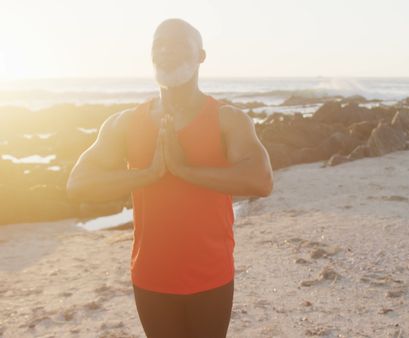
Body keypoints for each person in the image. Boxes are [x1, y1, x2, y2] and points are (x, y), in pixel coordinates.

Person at [67, 18, 273, 337]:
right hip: (151, 276)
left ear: (201, 56)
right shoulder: (124, 123)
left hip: (211, 275)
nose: (166, 51)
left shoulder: (227, 119)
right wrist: (148, 174)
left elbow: (261, 180)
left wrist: (185, 170)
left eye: (178, 44)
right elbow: (79, 184)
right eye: (158, 45)